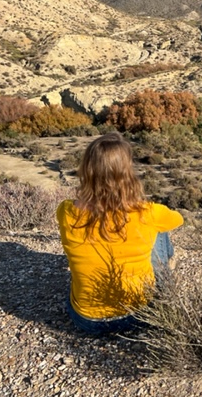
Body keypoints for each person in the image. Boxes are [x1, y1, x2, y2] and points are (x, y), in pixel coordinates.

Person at [56, 132, 183, 335]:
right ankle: (164, 283)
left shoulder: (66, 211)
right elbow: (178, 219)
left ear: (87, 170)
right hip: (139, 316)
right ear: (127, 172)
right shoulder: (146, 212)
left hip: (86, 320)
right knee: (159, 228)